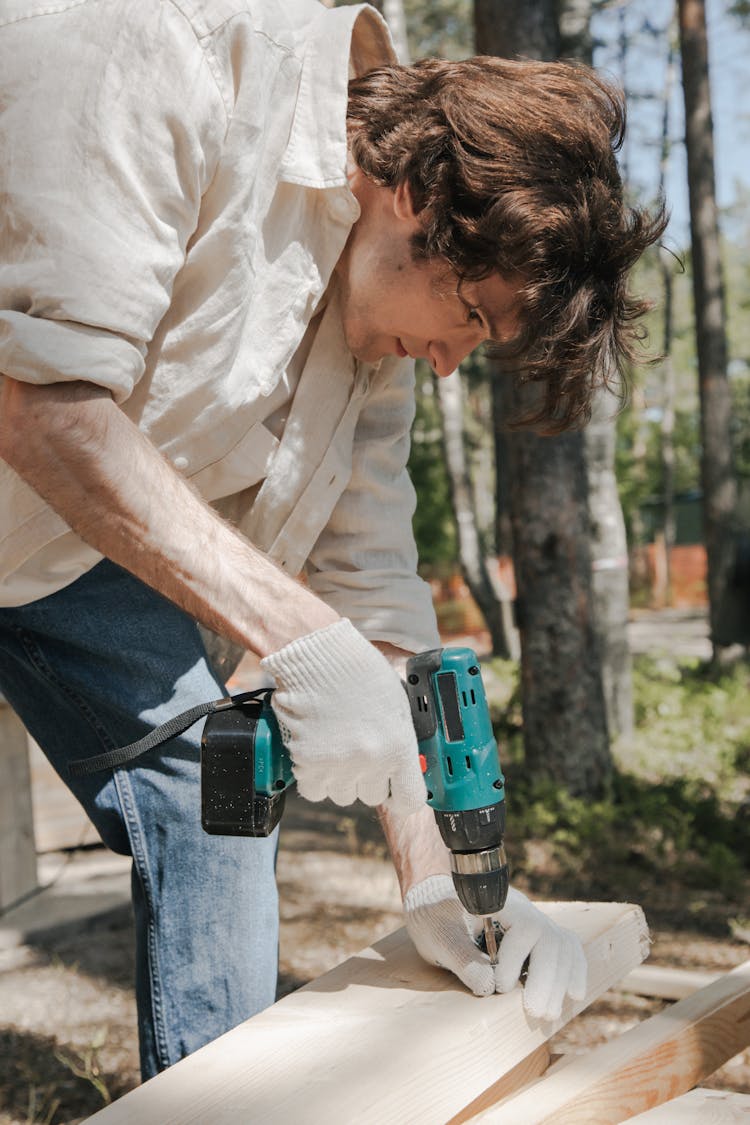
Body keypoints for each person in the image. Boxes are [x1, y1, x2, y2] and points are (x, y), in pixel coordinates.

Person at [0, 0, 664, 1081]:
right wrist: (301, 640)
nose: (453, 361)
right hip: (35, 461)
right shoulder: (156, 46)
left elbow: (371, 588)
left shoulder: (377, 324)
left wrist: (438, 875)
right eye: (478, 319)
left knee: (218, 785)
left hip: (53, 546)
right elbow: (46, 410)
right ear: (420, 197)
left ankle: (217, 1109)